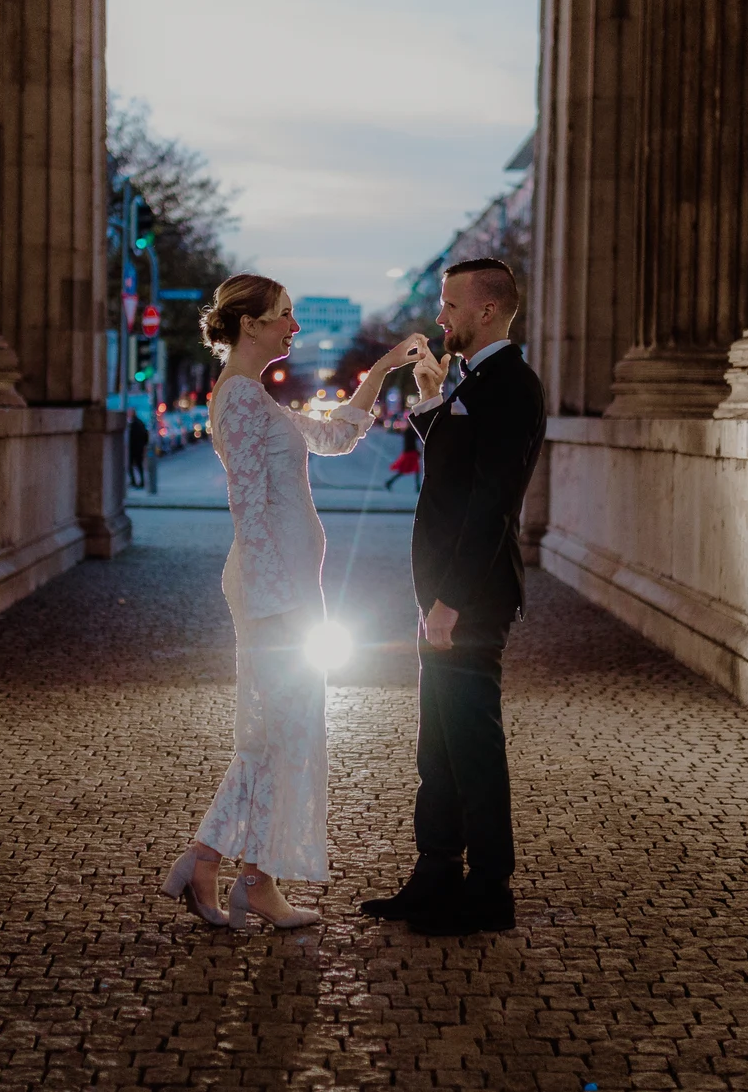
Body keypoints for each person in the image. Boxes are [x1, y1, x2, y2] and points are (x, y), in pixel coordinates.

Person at [160, 274, 428, 931]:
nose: (295, 328)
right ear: (249, 325)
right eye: (284, 316)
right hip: (274, 591)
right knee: (283, 734)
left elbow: (336, 435)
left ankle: (231, 869)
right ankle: (235, 870)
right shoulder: (243, 402)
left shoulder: (256, 400)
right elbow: (247, 509)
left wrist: (386, 367)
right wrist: (276, 604)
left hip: (284, 586)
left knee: (278, 735)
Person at [357, 257, 547, 937]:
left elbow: (490, 504)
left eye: (450, 305)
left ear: (487, 310)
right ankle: (435, 872)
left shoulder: (513, 385)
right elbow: (448, 478)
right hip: (441, 592)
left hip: (469, 598)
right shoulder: (475, 378)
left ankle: (490, 888)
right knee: (436, 745)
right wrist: (434, 398)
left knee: (471, 744)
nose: (440, 317)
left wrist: (451, 602)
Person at [384, 421, 422, 490]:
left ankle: (389, 482)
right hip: (410, 453)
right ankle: (389, 482)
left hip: (410, 453)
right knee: (408, 470)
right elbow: (410, 443)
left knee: (414, 470)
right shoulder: (409, 432)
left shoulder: (409, 431)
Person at [127, 412, 149, 487]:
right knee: (138, 465)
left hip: (134, 448)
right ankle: (139, 481)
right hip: (138, 448)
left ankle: (135, 481)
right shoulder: (139, 423)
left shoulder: (133, 424)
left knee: (132, 465)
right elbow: (145, 435)